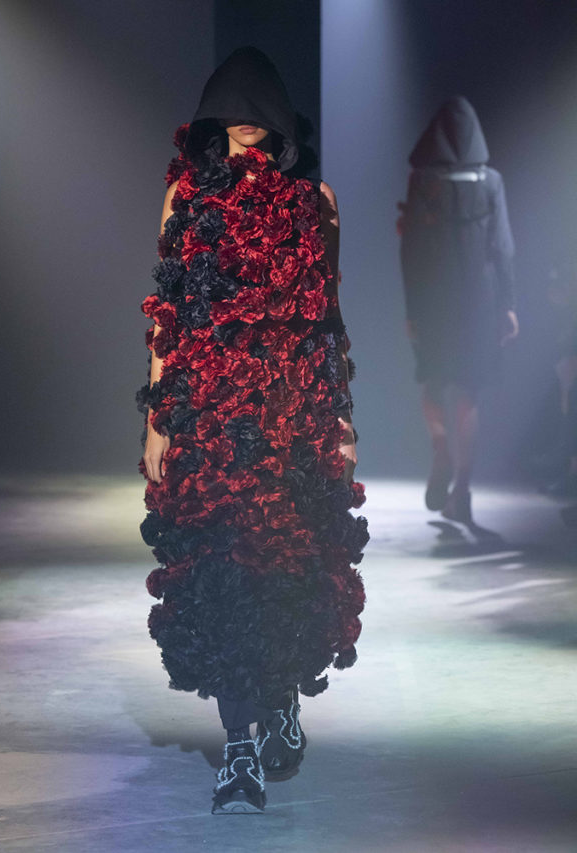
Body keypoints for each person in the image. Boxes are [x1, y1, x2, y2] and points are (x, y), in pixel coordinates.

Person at [137, 48, 368, 815]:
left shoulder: (314, 202)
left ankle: (282, 701)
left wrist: (341, 419)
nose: (243, 119)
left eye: (255, 106)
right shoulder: (186, 197)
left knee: (287, 574)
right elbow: (169, 312)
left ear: (279, 119)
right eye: (230, 107)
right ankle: (239, 744)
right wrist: (158, 419)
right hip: (210, 414)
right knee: (222, 574)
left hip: (292, 415)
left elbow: (328, 320)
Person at [398, 96, 516, 523]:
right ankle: (462, 491)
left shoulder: (423, 180)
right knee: (468, 393)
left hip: (434, 296)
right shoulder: (491, 181)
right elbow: (503, 248)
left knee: (432, 383)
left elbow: (411, 248)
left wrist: (412, 308)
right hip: (480, 298)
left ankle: (440, 448)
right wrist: (508, 305)